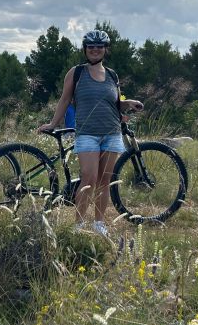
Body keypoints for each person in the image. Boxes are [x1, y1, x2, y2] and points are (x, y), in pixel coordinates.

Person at [38, 30, 144, 236]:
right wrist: (53, 123)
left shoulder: (112, 75)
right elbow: (64, 100)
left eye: (99, 47)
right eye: (91, 47)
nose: (95, 50)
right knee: (89, 179)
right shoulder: (76, 73)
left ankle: (99, 224)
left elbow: (114, 104)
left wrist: (128, 104)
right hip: (87, 133)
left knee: (105, 180)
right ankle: (78, 225)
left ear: (105, 50)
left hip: (112, 133)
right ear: (85, 49)